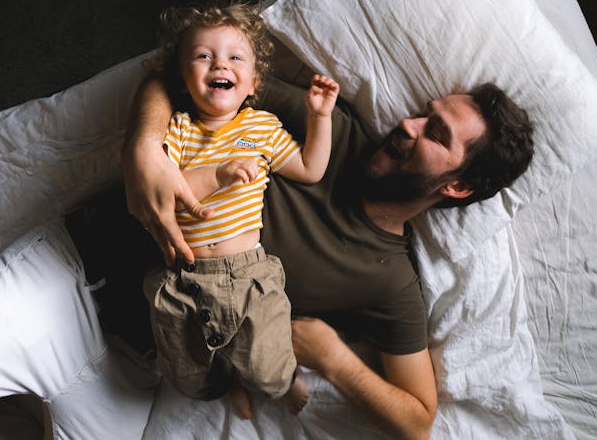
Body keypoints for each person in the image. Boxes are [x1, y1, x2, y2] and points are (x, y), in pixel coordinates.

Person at [123, 52, 534, 437]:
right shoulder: (329, 129)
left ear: (457, 186)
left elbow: (417, 423)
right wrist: (143, 148)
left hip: (146, 345)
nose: (411, 124)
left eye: (436, 133)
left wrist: (334, 359)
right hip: (99, 234)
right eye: (425, 113)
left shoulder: (389, 281)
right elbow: (174, 71)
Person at [139, 0, 340, 417]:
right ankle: (220, 385)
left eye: (234, 57)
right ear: (183, 78)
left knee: (266, 361)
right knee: (186, 371)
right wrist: (217, 175)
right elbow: (166, 192)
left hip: (249, 274)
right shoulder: (177, 128)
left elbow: (310, 168)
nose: (220, 65)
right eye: (203, 56)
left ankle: (280, 382)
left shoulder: (261, 127)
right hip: (184, 275)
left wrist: (320, 118)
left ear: (252, 82)